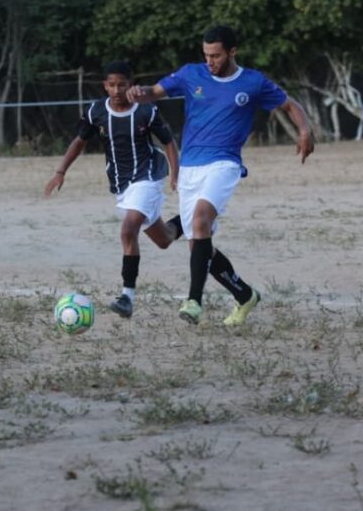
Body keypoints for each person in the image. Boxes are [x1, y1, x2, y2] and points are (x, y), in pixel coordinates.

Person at [127, 25, 314, 326]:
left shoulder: (253, 82)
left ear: (232, 52)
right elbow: (154, 92)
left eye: (215, 55)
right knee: (201, 247)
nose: (210, 61)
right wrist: (139, 93)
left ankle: (194, 301)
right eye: (206, 55)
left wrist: (305, 130)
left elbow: (290, 105)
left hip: (224, 163)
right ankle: (244, 295)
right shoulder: (191, 74)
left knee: (200, 221)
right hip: (190, 168)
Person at [45, 60, 182, 318]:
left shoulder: (146, 111)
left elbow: (169, 143)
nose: (117, 90)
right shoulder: (96, 111)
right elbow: (79, 141)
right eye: (111, 85)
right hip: (122, 184)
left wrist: (175, 174)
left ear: (131, 84)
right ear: (104, 86)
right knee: (164, 239)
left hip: (149, 176)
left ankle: (127, 297)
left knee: (128, 229)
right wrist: (60, 171)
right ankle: (192, 221)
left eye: (122, 84)